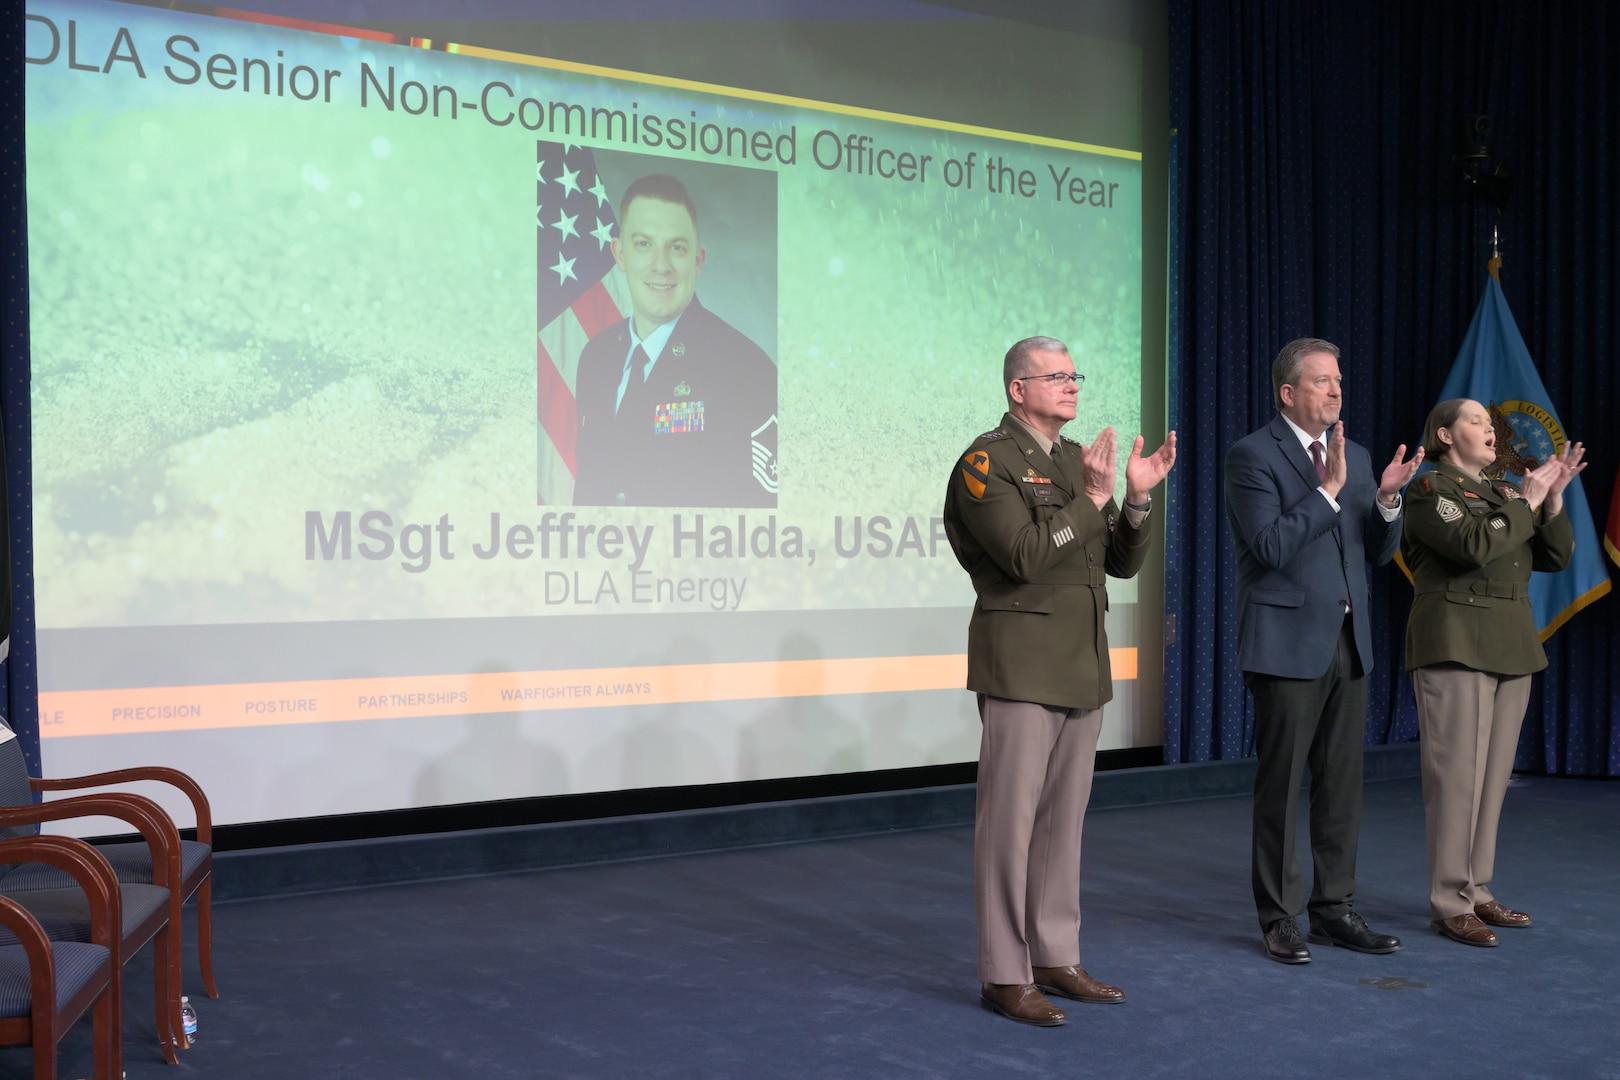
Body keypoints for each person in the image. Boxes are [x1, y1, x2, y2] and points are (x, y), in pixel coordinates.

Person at [943, 336, 1175, 1026]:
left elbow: (1119, 565)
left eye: (1075, 375)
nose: (1072, 385)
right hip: (1021, 664)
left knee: (1060, 826)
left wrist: (1132, 502)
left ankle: (1055, 954)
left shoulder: (1079, 465)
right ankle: (1004, 974)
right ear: (1019, 389)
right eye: (1056, 376)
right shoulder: (987, 463)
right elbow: (1021, 555)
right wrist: (1093, 500)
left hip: (1082, 662)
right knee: (1009, 828)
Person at [1224, 337, 1422, 964]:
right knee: (1281, 786)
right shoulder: (1252, 455)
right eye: (1321, 382)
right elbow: (1270, 547)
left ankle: (1334, 908)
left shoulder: (1357, 456)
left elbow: (1378, 554)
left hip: (1349, 640)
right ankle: (1280, 918)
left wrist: (1387, 499)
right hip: (1285, 642)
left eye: (1339, 380)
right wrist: (1330, 491)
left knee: (1342, 786)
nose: (1336, 391)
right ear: (1288, 393)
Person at [1401, 398, 1580, 946]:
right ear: (1444, 434)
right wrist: (1526, 501)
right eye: (1476, 421)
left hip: (1510, 643)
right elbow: (1474, 545)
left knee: (1491, 783)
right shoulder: (1432, 490)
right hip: (1456, 642)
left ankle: (1477, 889)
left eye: (1489, 422)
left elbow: (1556, 556)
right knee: (1456, 781)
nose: (1490, 429)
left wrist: (1550, 502)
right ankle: (1449, 900)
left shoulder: (1506, 493)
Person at [572, 174, 777, 508]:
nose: (661, 266)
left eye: (676, 248)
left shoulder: (746, 371)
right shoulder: (595, 358)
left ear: (697, 260)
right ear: (619, 254)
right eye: (643, 245)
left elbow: (764, 523)